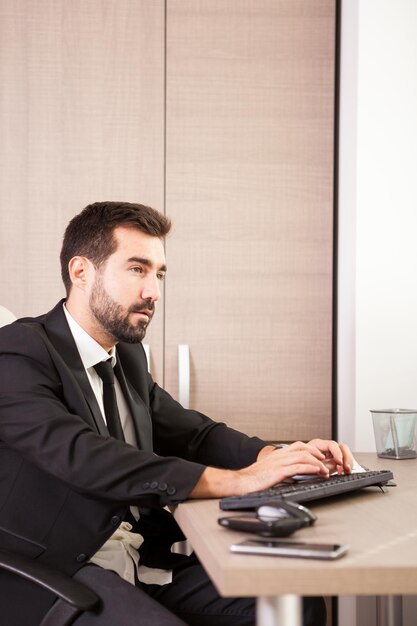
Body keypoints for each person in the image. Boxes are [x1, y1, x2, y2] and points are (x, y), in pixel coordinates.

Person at [0, 201, 352, 626]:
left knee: (291, 605)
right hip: (58, 575)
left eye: (159, 273)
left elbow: (194, 434)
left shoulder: (127, 357)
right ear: (81, 272)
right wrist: (238, 483)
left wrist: (280, 458)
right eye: (137, 269)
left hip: (137, 561)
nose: (154, 291)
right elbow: (82, 456)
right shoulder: (18, 352)